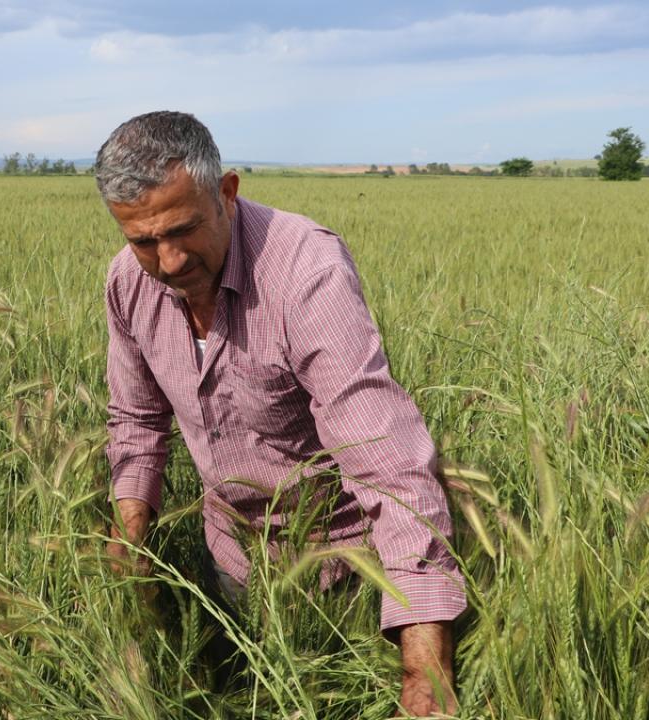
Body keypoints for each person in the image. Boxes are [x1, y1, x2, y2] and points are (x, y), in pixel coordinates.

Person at [96, 111, 465, 716]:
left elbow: (383, 458)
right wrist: (128, 547)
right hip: (233, 561)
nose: (168, 262)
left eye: (184, 230)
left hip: (348, 575)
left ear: (227, 192)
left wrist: (425, 669)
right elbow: (136, 421)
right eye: (142, 240)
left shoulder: (304, 272)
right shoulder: (126, 284)